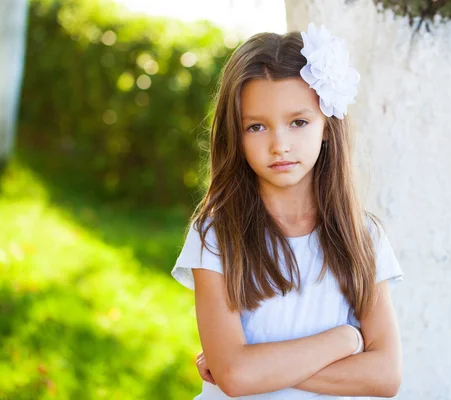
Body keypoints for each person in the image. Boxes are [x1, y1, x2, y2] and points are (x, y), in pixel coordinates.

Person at [171, 22, 404, 399]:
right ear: (236, 134)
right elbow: (234, 377)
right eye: (257, 127)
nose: (280, 145)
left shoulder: (364, 237)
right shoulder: (215, 235)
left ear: (326, 126)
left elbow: (385, 376)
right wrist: (346, 340)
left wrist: (255, 368)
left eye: (298, 122)